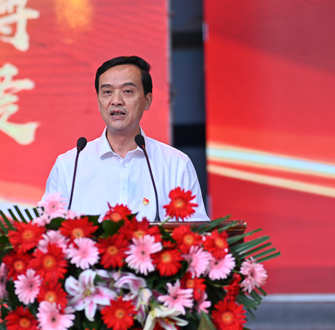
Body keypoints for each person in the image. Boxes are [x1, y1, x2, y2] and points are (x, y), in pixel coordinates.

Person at [42, 56, 209, 221]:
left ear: (147, 101)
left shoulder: (176, 164)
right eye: (107, 92)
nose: (116, 101)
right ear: (98, 101)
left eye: (127, 91)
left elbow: (196, 231)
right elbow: (47, 228)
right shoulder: (70, 166)